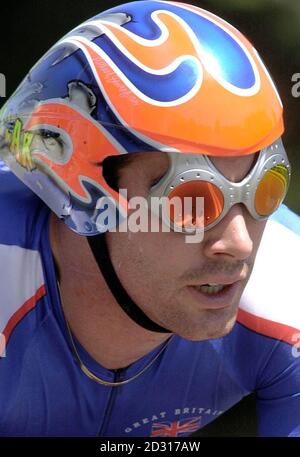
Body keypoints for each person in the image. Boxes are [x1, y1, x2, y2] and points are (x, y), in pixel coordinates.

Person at [0, 0, 299, 438]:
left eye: (265, 191)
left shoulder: (287, 293)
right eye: (194, 200)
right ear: (79, 194)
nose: (240, 242)